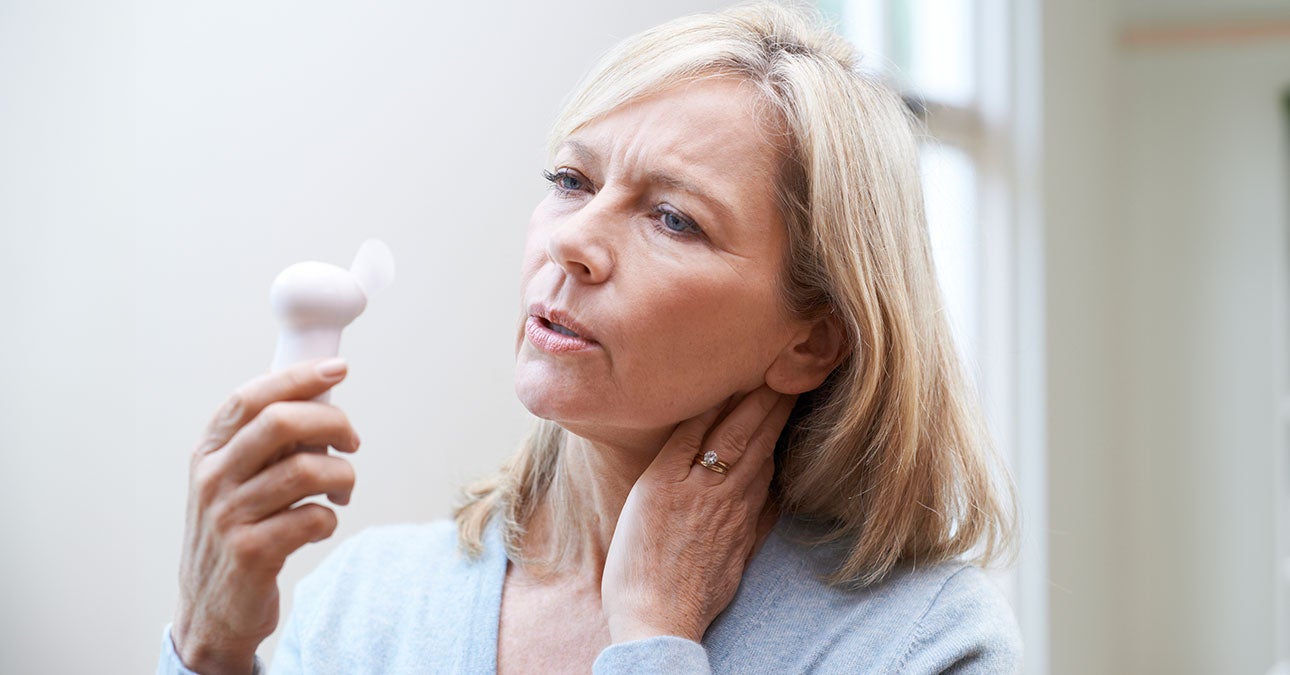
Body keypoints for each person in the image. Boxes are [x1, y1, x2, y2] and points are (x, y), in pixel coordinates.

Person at [158, 3, 1022, 673]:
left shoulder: (918, 640)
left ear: (813, 340)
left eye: (674, 218)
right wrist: (210, 646)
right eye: (572, 179)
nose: (572, 240)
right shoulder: (369, 603)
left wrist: (655, 636)